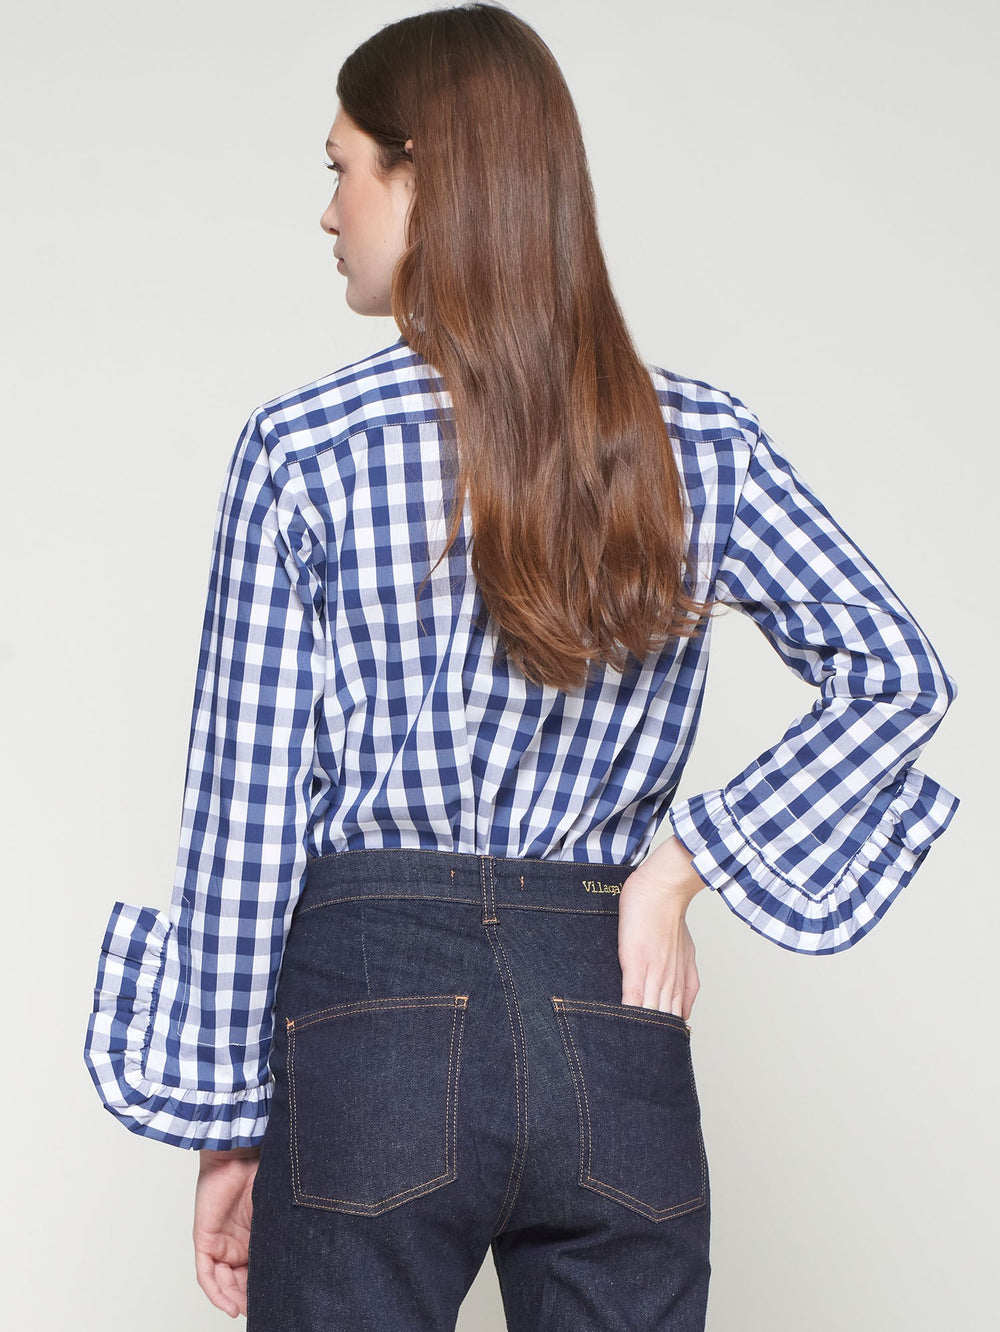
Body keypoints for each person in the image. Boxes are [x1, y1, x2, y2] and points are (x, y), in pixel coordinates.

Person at [82, 4, 960, 1329]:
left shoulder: (307, 451)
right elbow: (899, 674)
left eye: (342, 168)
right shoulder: (696, 442)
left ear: (423, 178)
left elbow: (247, 816)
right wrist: (678, 868)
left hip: (370, 1020)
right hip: (610, 1010)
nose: (327, 212)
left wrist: (225, 1120)